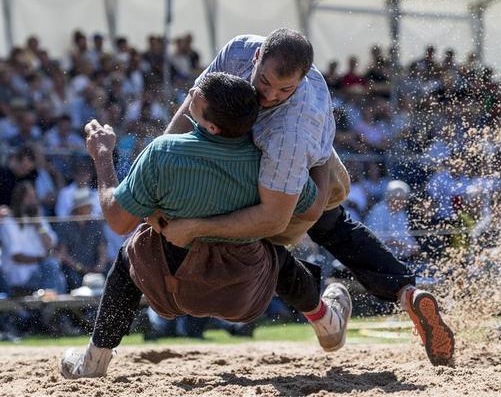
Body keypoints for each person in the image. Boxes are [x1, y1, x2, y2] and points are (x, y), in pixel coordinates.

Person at [158, 28, 454, 366]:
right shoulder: (237, 50)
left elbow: (285, 212)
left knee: (263, 241)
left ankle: (324, 316)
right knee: (335, 229)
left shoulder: (295, 124)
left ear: (301, 80)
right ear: (256, 57)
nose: (269, 96)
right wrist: (163, 155)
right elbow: (194, 101)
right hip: (277, 160)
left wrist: (197, 222)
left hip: (305, 175)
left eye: (284, 89)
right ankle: (405, 292)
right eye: (265, 82)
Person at [59, 72, 351, 379]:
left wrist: (103, 156)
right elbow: (312, 207)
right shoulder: (270, 162)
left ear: (211, 125)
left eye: (198, 95)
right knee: (277, 255)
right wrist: (319, 153)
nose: (192, 90)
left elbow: (118, 220)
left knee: (130, 253)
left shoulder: (163, 152)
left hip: (168, 288)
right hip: (243, 292)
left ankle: (95, 359)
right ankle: (326, 322)